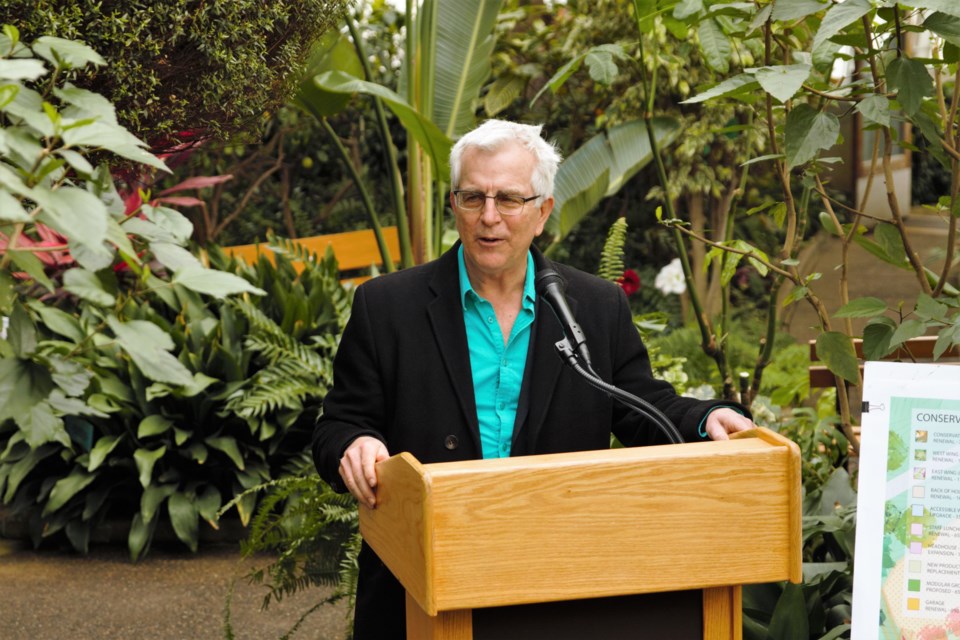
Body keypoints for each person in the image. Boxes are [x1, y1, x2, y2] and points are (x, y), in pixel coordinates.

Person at [312, 119, 755, 638]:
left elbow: (639, 405)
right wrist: (356, 441)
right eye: (473, 197)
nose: (490, 218)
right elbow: (339, 423)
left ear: (543, 211)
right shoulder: (386, 307)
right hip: (419, 590)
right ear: (453, 204)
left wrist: (706, 417)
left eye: (510, 200)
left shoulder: (593, 305)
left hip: (555, 583)